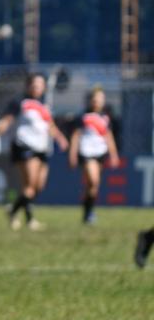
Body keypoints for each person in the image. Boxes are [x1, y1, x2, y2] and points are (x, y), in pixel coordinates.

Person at [0, 73, 69, 231]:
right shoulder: (20, 102)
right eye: (34, 84)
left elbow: (49, 125)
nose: (37, 87)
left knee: (38, 186)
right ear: (28, 85)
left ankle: (13, 211)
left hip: (42, 148)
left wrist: (60, 138)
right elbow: (7, 121)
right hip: (25, 146)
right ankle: (29, 220)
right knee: (29, 185)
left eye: (40, 84)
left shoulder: (44, 104)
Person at [68, 85, 120, 225]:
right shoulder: (83, 117)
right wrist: (72, 154)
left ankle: (88, 212)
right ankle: (88, 212)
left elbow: (109, 137)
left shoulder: (105, 118)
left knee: (93, 187)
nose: (97, 101)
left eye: (100, 99)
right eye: (95, 99)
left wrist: (114, 154)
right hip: (86, 153)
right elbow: (75, 136)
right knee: (93, 180)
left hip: (100, 153)